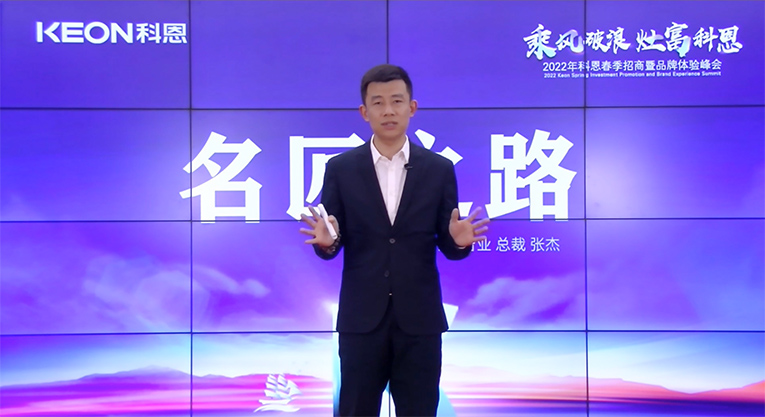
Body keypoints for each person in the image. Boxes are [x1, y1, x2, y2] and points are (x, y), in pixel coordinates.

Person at [299, 64, 488, 417]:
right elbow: (333, 239)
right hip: (361, 320)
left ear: (411, 108)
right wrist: (326, 242)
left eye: (397, 101)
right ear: (364, 112)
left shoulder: (438, 169)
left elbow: (449, 246)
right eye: (378, 102)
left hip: (419, 321)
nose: (388, 110)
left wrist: (459, 242)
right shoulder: (340, 168)